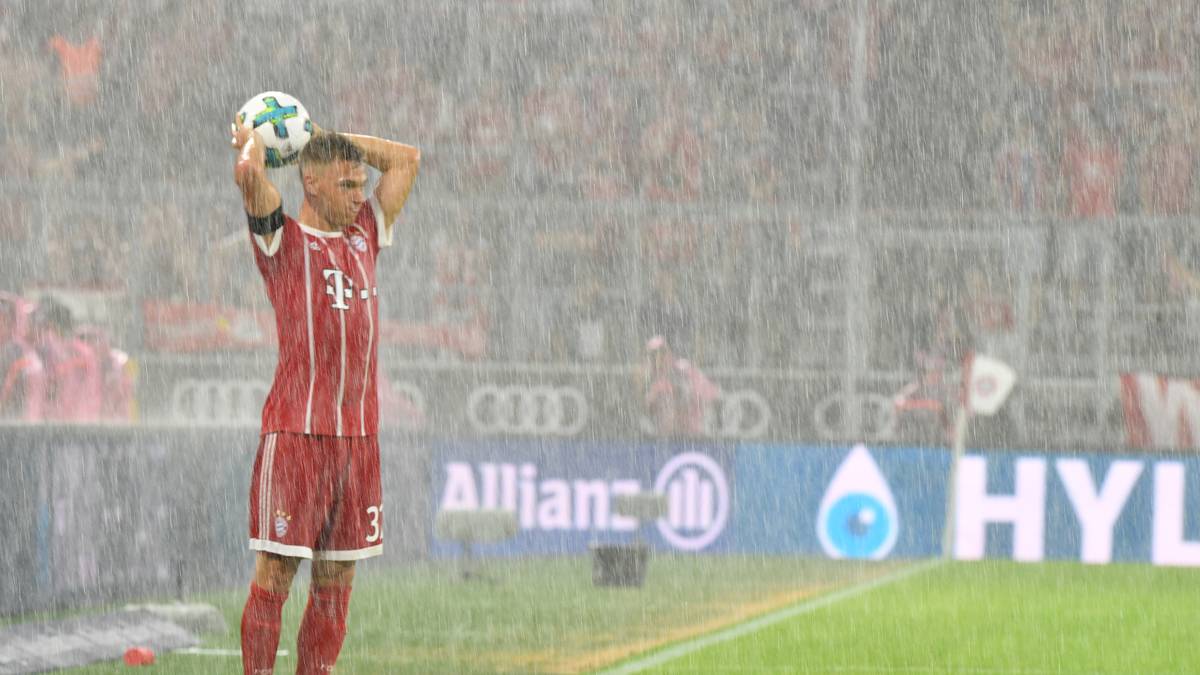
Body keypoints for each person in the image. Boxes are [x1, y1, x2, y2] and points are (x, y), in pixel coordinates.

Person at [229, 115, 419, 674]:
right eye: (345, 184)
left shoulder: (366, 233)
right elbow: (250, 179)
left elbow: (407, 158)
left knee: (337, 582)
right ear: (309, 183)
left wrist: (336, 142)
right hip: (297, 434)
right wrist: (255, 148)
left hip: (359, 442)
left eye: (360, 184)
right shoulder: (282, 239)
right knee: (276, 575)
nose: (359, 192)